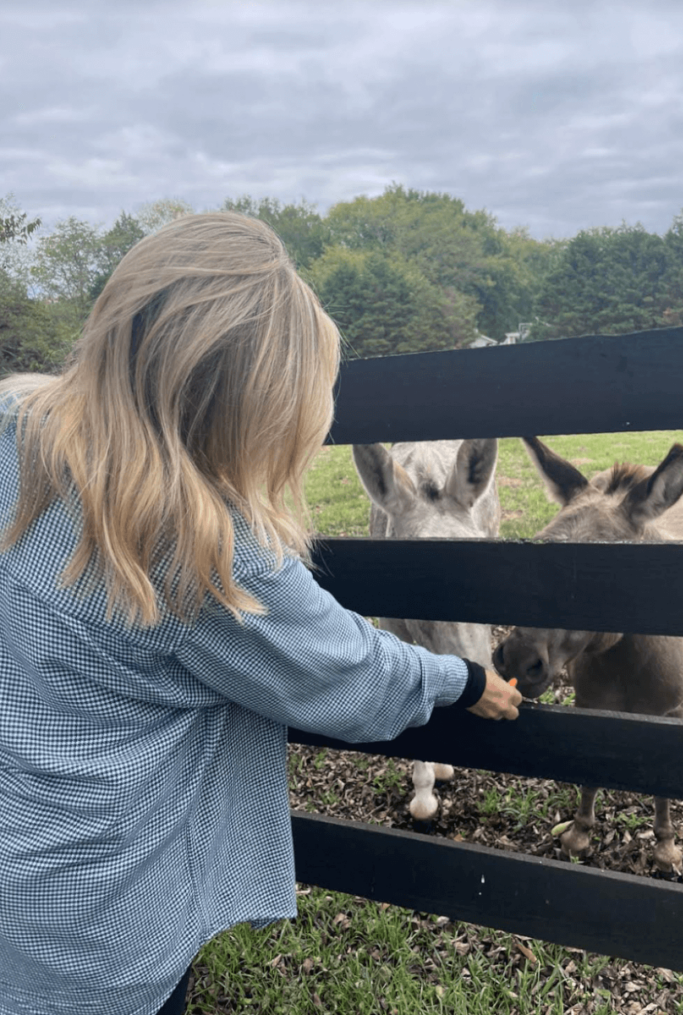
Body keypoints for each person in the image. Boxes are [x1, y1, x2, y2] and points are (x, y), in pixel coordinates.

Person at [0, 212, 522, 1015]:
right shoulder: (200, 546)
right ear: (250, 407)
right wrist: (463, 678)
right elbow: (346, 673)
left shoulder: (15, 435)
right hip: (101, 924)